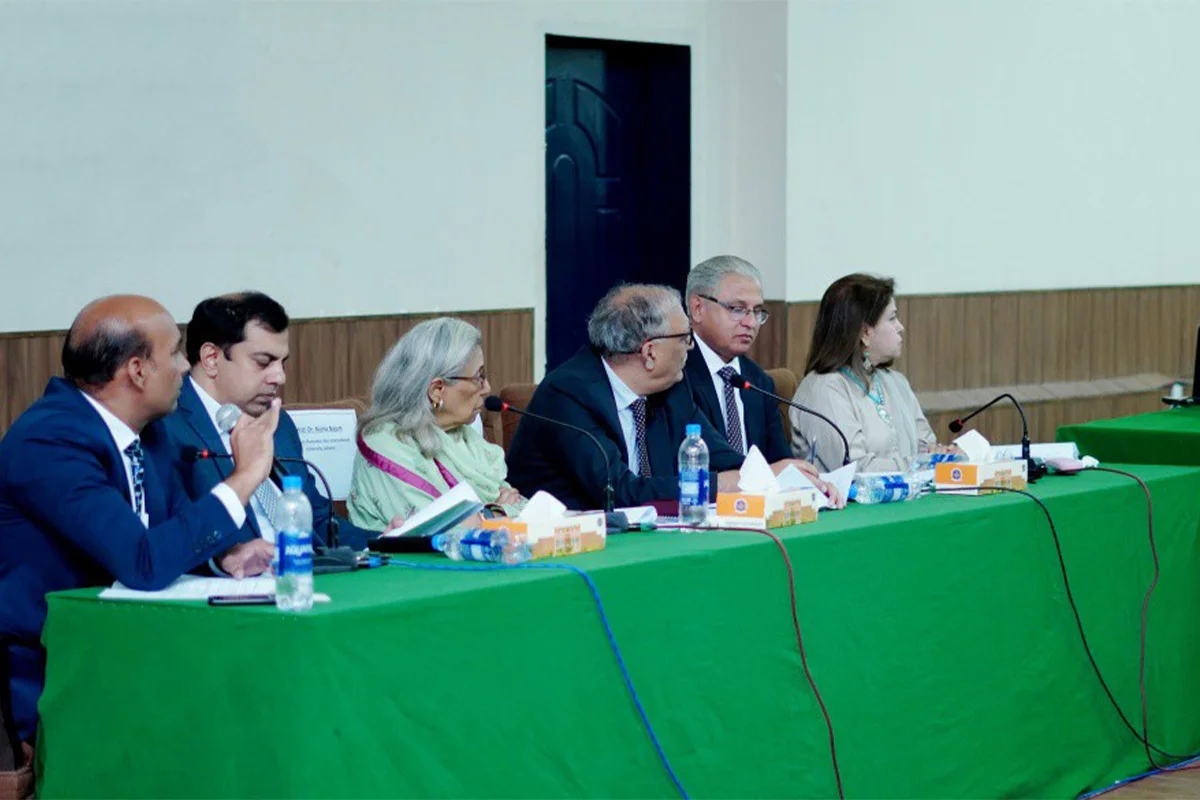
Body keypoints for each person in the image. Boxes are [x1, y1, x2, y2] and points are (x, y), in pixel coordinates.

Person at [0, 295, 278, 748]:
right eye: (174, 353)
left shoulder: (150, 432)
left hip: (134, 651)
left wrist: (224, 558)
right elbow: (143, 562)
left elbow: (171, 532)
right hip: (55, 675)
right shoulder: (49, 441)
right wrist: (245, 476)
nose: (185, 367)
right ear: (137, 371)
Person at [165, 292, 383, 551]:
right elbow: (171, 538)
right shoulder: (165, 428)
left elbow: (320, 522)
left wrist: (388, 541)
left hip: (304, 569)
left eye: (281, 363)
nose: (279, 377)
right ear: (211, 359)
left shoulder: (278, 423)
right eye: (263, 362)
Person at [507, 284, 755, 511]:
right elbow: (618, 492)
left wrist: (762, 473)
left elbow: (724, 459)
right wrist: (717, 485)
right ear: (650, 352)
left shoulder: (672, 388)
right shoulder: (567, 395)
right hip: (569, 536)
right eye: (684, 338)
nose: (690, 347)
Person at [348, 318, 524, 529]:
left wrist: (494, 514)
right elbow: (439, 528)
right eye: (479, 377)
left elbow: (517, 503)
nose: (487, 388)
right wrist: (495, 513)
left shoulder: (461, 435)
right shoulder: (384, 442)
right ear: (437, 390)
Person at [791, 274, 955, 472]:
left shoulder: (896, 382)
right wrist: (923, 464)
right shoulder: (824, 389)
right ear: (865, 333)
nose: (901, 327)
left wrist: (942, 455)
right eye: (892, 319)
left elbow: (925, 446)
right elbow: (856, 469)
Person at [684, 255, 793, 463]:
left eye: (757, 311)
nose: (751, 322)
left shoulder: (759, 382)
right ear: (698, 308)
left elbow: (781, 461)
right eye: (737, 309)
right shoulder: (676, 375)